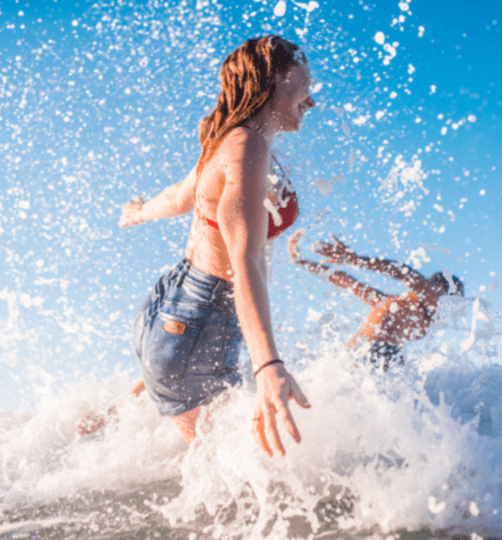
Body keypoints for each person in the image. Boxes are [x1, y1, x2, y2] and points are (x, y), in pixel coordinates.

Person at [111, 36, 314, 457]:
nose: (311, 100)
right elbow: (245, 262)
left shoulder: (228, 140)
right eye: (303, 84)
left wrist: (139, 211)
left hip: (172, 311)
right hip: (201, 322)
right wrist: (269, 365)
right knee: (236, 486)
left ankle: (112, 413)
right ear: (272, 80)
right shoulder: (246, 146)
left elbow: (181, 197)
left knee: (223, 470)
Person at [288, 230, 464, 370]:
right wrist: (305, 262)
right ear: (439, 289)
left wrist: (304, 262)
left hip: (362, 355)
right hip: (372, 353)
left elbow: (348, 281)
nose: (455, 307)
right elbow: (403, 272)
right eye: (456, 299)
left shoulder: (408, 309)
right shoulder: (423, 299)